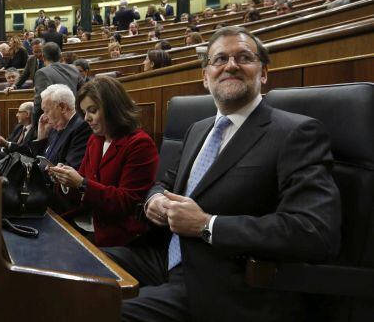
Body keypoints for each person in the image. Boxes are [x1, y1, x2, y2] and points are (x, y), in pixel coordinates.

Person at [103, 26, 341, 321]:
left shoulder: (296, 132)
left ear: (263, 73)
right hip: (163, 257)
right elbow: (164, 183)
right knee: (69, 269)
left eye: (244, 57)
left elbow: (314, 231)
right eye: (220, 59)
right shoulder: (197, 129)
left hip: (223, 282)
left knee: (95, 312)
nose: (231, 65)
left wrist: (207, 225)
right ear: (206, 76)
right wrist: (154, 201)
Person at [48, 77, 159, 246]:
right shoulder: (95, 140)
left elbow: (127, 202)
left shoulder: (139, 144)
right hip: (87, 223)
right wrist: (65, 180)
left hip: (120, 236)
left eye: (92, 110)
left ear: (112, 108)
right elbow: (81, 193)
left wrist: (81, 184)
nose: (86, 118)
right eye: (84, 112)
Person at [28, 84, 91, 169]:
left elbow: (70, 171)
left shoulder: (82, 128)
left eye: (46, 111)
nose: (44, 117)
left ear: (62, 107)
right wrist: (41, 138)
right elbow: (39, 160)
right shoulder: (55, 127)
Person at [32, 42, 80, 124]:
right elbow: (82, 92)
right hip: (75, 118)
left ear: (43, 57)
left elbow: (39, 103)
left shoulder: (42, 73)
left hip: (55, 122)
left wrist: (35, 125)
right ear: (60, 56)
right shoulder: (73, 69)